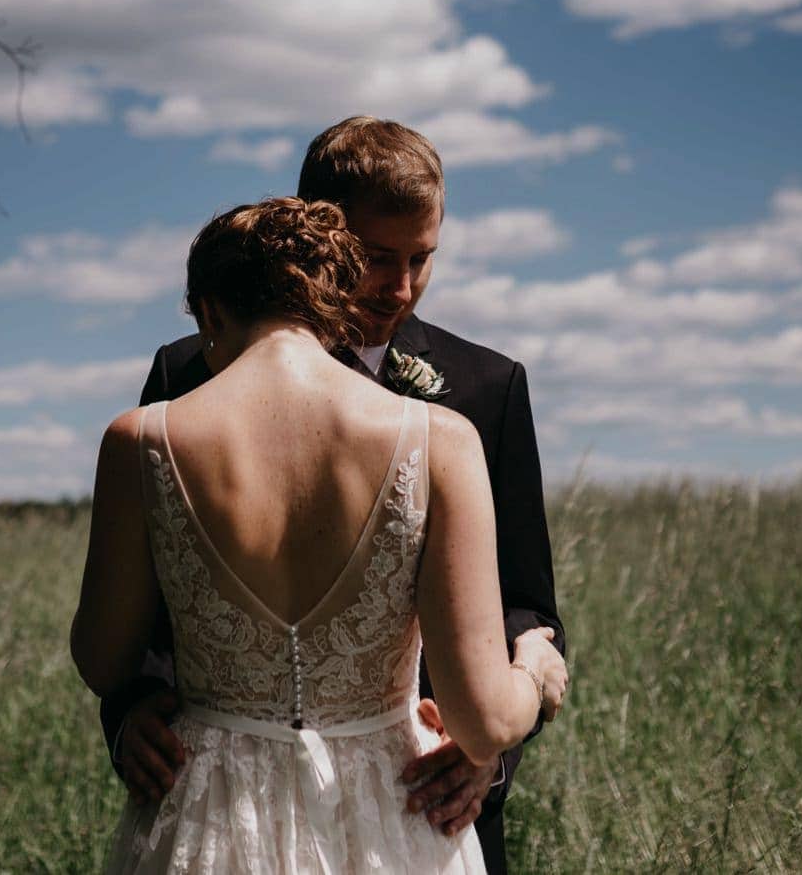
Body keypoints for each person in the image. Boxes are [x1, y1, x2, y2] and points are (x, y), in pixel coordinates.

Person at [100, 117, 566, 871]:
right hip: (220, 807)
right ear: (321, 234)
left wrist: (485, 757)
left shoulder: (486, 387)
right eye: (380, 258)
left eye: (424, 257)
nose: (403, 286)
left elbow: (529, 605)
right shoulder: (187, 372)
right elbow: (143, 608)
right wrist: (129, 714)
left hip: (421, 806)